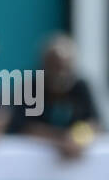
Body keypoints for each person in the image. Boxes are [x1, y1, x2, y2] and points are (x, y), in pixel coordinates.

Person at [12, 32, 99, 160]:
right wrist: (61, 141)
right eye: (56, 67)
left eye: (66, 67)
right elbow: (23, 127)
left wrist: (78, 139)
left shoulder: (80, 87)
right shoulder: (30, 88)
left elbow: (94, 123)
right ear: (44, 65)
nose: (61, 73)